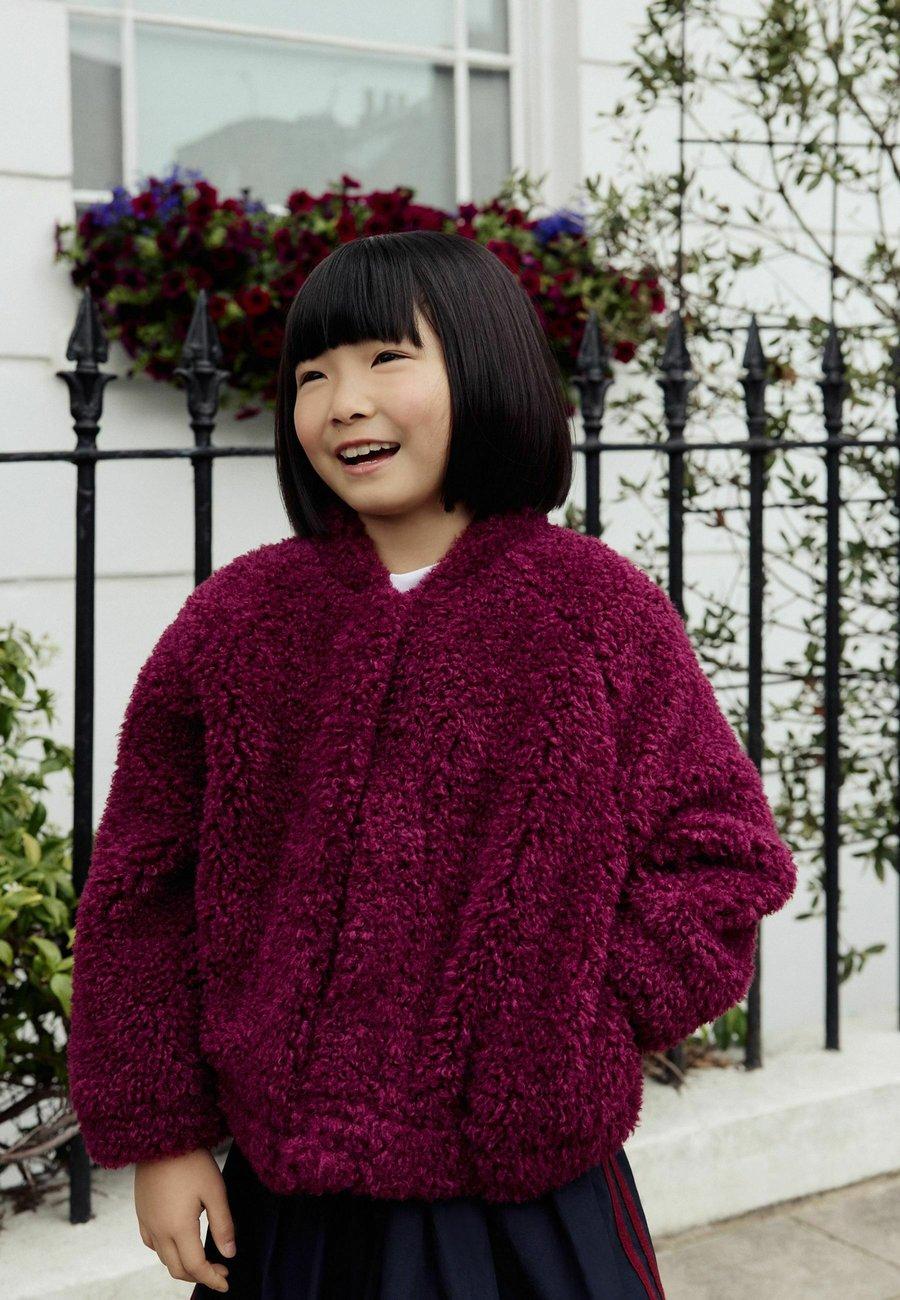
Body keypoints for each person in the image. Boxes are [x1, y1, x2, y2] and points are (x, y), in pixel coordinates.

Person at [66, 231, 798, 1299]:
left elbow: (720, 854)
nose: (344, 402)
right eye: (313, 376)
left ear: (486, 367)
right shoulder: (237, 624)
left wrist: (573, 1022)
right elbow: (142, 889)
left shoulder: (595, 611)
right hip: (295, 1203)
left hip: (529, 1203)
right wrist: (165, 1139)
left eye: (385, 359)